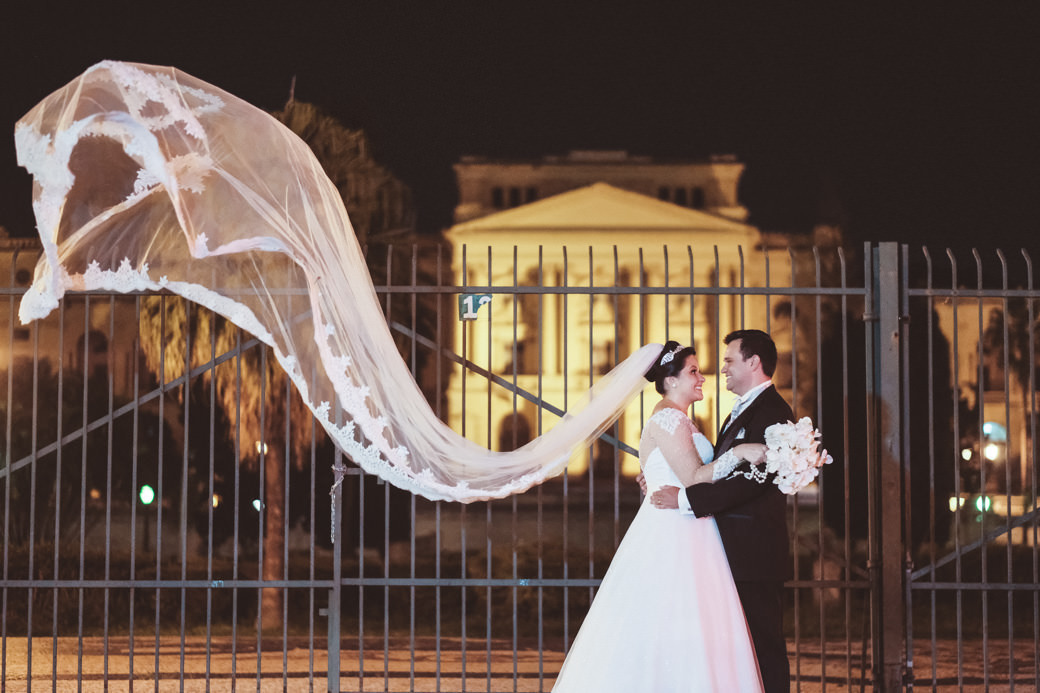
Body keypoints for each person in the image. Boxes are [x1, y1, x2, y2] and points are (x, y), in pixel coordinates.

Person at [552, 341, 763, 693]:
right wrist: (741, 452)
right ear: (670, 381)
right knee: (672, 619)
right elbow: (696, 476)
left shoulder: (679, 419)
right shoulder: (667, 417)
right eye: (693, 371)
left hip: (690, 524)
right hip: (673, 531)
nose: (702, 377)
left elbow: (677, 472)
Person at [651, 329, 795, 693]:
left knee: (763, 648)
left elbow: (753, 481)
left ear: (753, 362)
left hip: (754, 552)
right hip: (725, 550)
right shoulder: (741, 409)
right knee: (736, 652)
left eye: (730, 360)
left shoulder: (775, 412)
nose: (722, 369)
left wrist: (684, 499)